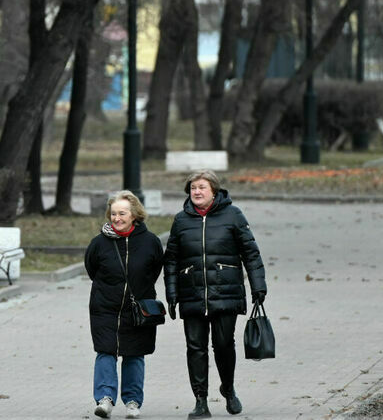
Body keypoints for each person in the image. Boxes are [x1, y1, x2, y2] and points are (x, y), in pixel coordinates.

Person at [164, 170, 267, 418]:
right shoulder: (181, 220)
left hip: (225, 292)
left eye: (202, 187)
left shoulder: (233, 215)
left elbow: (250, 253)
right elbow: (171, 260)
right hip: (192, 293)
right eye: (193, 188)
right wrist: (171, 293)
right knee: (195, 348)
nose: (197, 192)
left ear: (214, 191)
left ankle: (228, 389)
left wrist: (258, 286)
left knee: (223, 345)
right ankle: (201, 400)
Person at [85, 190, 164, 419]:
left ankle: (132, 401)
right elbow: (92, 269)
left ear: (135, 215)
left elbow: (154, 270)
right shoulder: (99, 243)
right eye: (113, 214)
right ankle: (105, 399)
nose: (117, 218)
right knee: (105, 352)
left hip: (138, 309)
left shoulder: (150, 242)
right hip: (104, 308)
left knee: (134, 354)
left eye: (122, 213)